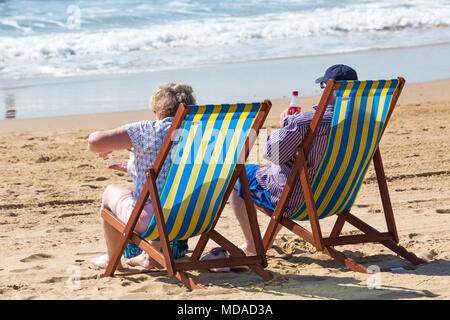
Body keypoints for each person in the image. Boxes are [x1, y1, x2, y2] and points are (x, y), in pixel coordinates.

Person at [230, 64, 358, 256]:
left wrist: (284, 126)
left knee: (237, 175)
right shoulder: (367, 123)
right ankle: (266, 237)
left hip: (299, 201)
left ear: (331, 89)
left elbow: (272, 154)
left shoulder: (305, 121)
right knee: (290, 175)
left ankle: (251, 246)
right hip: (337, 197)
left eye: (323, 86)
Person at [88, 81, 196, 270]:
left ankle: (112, 260)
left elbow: (95, 142)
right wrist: (132, 167)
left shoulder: (148, 130)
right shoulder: (202, 133)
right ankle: (148, 256)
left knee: (110, 192)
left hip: (152, 220)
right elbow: (172, 169)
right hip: (194, 215)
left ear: (157, 109)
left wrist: (109, 147)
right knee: (169, 196)